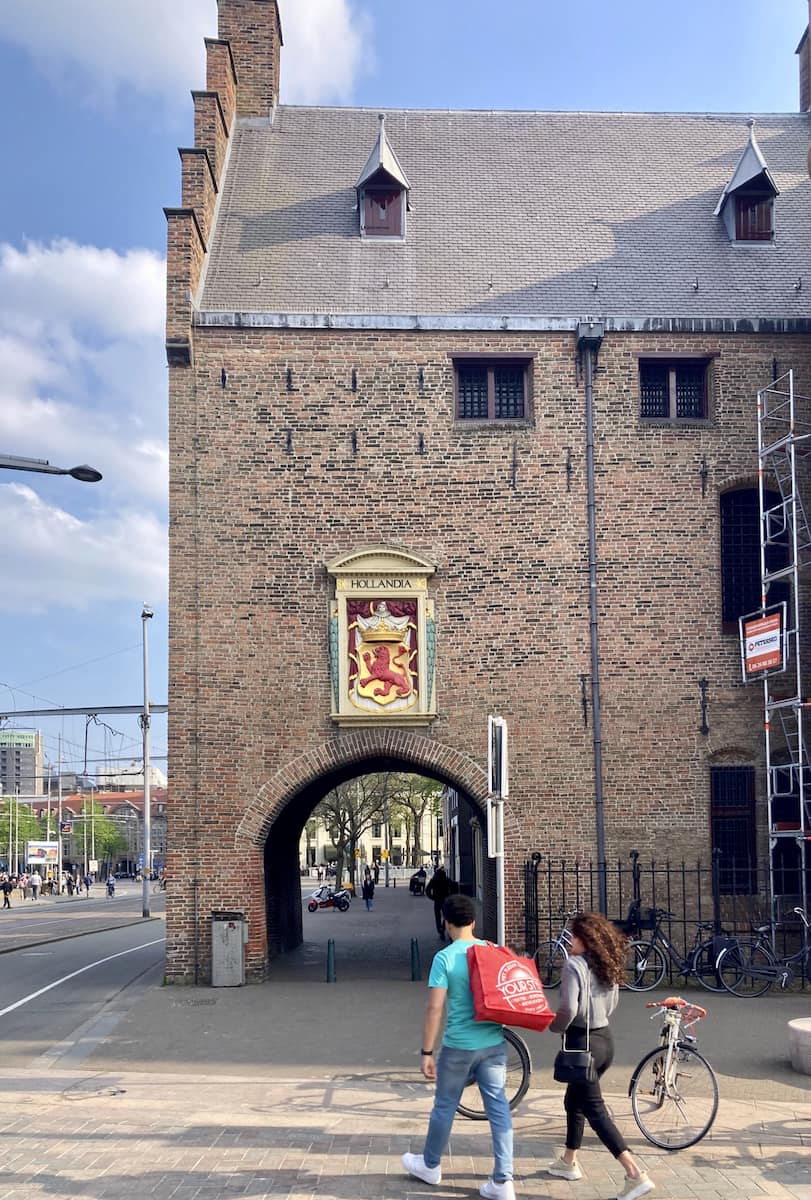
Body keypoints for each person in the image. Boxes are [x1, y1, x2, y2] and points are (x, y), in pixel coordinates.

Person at [402, 894, 515, 1199]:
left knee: (444, 1106)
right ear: (474, 922)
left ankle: (430, 1165)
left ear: (446, 922)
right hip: (493, 1043)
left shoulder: (446, 958)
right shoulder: (492, 950)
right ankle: (503, 1182)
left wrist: (427, 1051)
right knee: (499, 1108)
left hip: (458, 1047)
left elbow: (434, 1009)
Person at [546, 912, 654, 1200]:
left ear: (584, 939)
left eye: (573, 935)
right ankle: (569, 1161)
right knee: (574, 1100)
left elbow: (568, 1009)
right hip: (605, 1040)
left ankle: (634, 1174)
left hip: (583, 1043)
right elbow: (613, 1001)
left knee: (595, 1110)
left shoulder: (573, 966)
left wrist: (553, 1024)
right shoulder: (606, 964)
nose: (569, 940)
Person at [425, 866, 456, 939]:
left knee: (437, 916)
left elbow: (428, 890)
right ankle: (443, 927)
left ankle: (440, 929)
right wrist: (451, 896)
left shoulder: (434, 880)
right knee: (446, 916)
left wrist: (432, 897)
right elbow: (454, 886)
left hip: (437, 900)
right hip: (446, 899)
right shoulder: (446, 879)